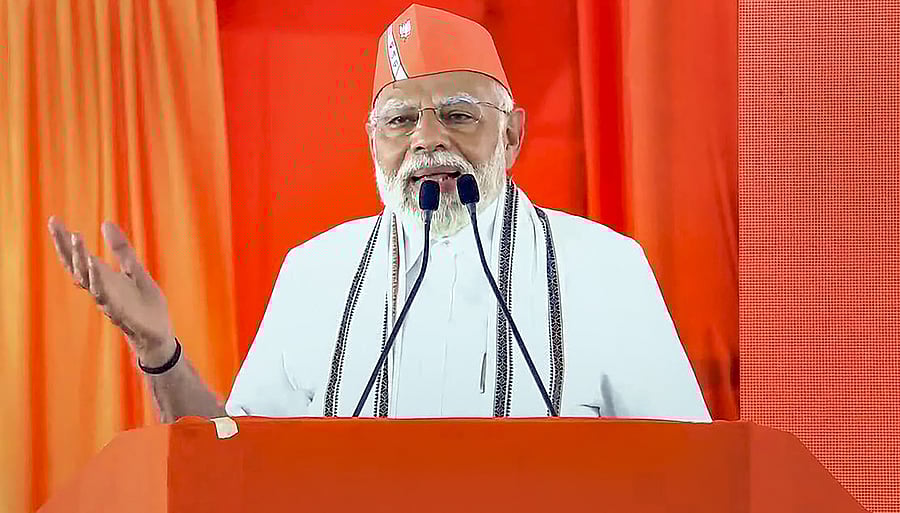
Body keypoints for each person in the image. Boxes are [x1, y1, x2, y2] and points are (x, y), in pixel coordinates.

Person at [47, 4, 710, 422]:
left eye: (457, 114)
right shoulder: (315, 273)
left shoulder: (605, 269)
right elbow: (229, 465)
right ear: (374, 142)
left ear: (511, 136)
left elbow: (688, 478)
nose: (427, 140)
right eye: (400, 121)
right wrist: (159, 351)